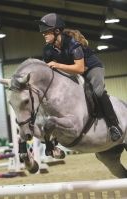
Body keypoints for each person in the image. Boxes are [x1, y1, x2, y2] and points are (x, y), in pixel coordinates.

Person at [38, 13, 122, 142]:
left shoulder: (73, 44)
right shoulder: (47, 50)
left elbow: (80, 69)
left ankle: (114, 126)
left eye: (46, 31)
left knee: (98, 92)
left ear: (56, 31)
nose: (43, 34)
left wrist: (57, 64)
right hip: (71, 72)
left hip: (91, 68)